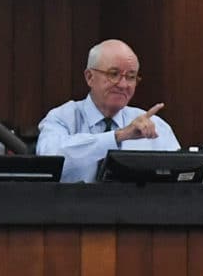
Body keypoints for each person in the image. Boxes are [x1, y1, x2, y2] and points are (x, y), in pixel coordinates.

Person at [37, 38, 179, 183]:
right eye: (113, 74)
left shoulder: (155, 126)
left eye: (131, 77)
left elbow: (181, 185)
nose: (123, 85)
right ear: (89, 77)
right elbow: (49, 161)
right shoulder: (62, 118)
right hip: (72, 204)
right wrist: (118, 136)